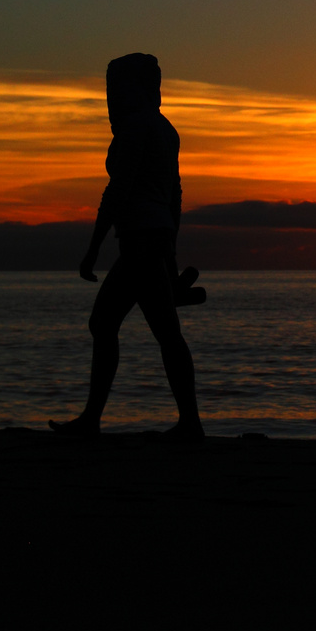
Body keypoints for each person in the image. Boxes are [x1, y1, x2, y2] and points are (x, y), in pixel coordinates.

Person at [50, 53, 203, 439]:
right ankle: (185, 422)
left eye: (115, 88)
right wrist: (170, 251)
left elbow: (118, 190)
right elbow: (175, 196)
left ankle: (99, 421)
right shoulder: (166, 130)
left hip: (139, 241)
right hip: (153, 239)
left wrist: (93, 247)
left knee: (114, 325)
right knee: (158, 331)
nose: (110, 98)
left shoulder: (136, 129)